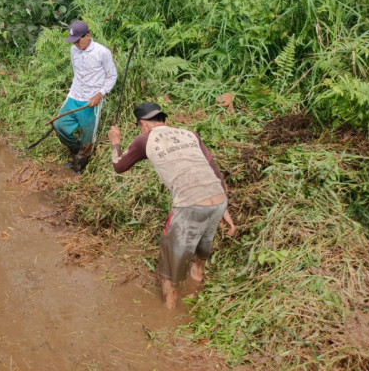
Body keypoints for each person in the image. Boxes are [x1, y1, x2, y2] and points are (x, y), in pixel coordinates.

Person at [108, 102, 236, 309]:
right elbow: (213, 169)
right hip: (219, 200)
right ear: (165, 121)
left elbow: (119, 166)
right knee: (203, 247)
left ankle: (169, 314)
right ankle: (196, 282)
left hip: (190, 205)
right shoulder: (190, 134)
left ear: (143, 124)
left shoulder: (145, 139)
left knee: (170, 264)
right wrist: (224, 208)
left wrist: (115, 142)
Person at [55, 20, 117, 173]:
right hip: (74, 95)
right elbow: (77, 72)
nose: (75, 44)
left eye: (78, 40)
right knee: (59, 125)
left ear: (87, 36)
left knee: (87, 136)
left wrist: (100, 94)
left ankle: (80, 165)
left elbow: (112, 76)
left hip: (91, 101)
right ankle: (76, 150)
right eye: (73, 41)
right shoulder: (73, 50)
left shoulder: (102, 52)